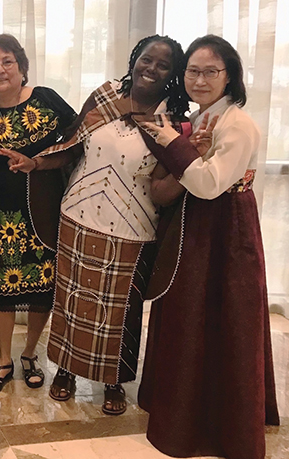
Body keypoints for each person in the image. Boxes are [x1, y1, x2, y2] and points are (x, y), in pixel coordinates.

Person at [0, 35, 188, 414]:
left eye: (162, 65)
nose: (151, 68)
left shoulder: (173, 122)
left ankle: (113, 380)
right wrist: (35, 163)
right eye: (146, 59)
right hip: (78, 216)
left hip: (133, 227)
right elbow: (70, 145)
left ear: (172, 74)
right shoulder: (105, 97)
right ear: (134, 59)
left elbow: (168, 187)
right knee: (70, 302)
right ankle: (66, 370)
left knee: (120, 311)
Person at [136, 34, 279, 459]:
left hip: (227, 233)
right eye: (192, 71)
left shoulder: (237, 124)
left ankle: (220, 423)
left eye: (210, 71)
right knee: (189, 314)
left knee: (223, 318)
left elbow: (207, 183)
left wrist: (170, 143)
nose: (199, 79)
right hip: (199, 227)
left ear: (229, 76)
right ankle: (186, 408)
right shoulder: (202, 118)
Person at [0, 34, 76, 396]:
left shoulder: (46, 100)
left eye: (7, 61)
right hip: (0, 215)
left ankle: (30, 353)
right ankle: (4, 360)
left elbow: (78, 144)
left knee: (42, 288)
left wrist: (38, 162)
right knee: (1, 287)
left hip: (44, 209)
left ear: (22, 67)